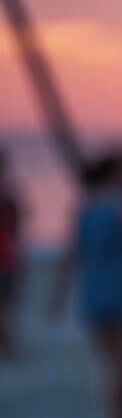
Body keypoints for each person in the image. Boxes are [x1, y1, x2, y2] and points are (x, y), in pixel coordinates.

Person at [49, 150, 122, 418]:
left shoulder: (85, 205)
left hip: (93, 293)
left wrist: (57, 296)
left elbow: (72, 255)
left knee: (111, 365)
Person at [0, 146, 22, 357]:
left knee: (5, 307)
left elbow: (17, 230)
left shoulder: (9, 197)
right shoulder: (8, 197)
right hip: (7, 259)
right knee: (5, 307)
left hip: (7, 259)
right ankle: (7, 345)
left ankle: (7, 344)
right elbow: (17, 230)